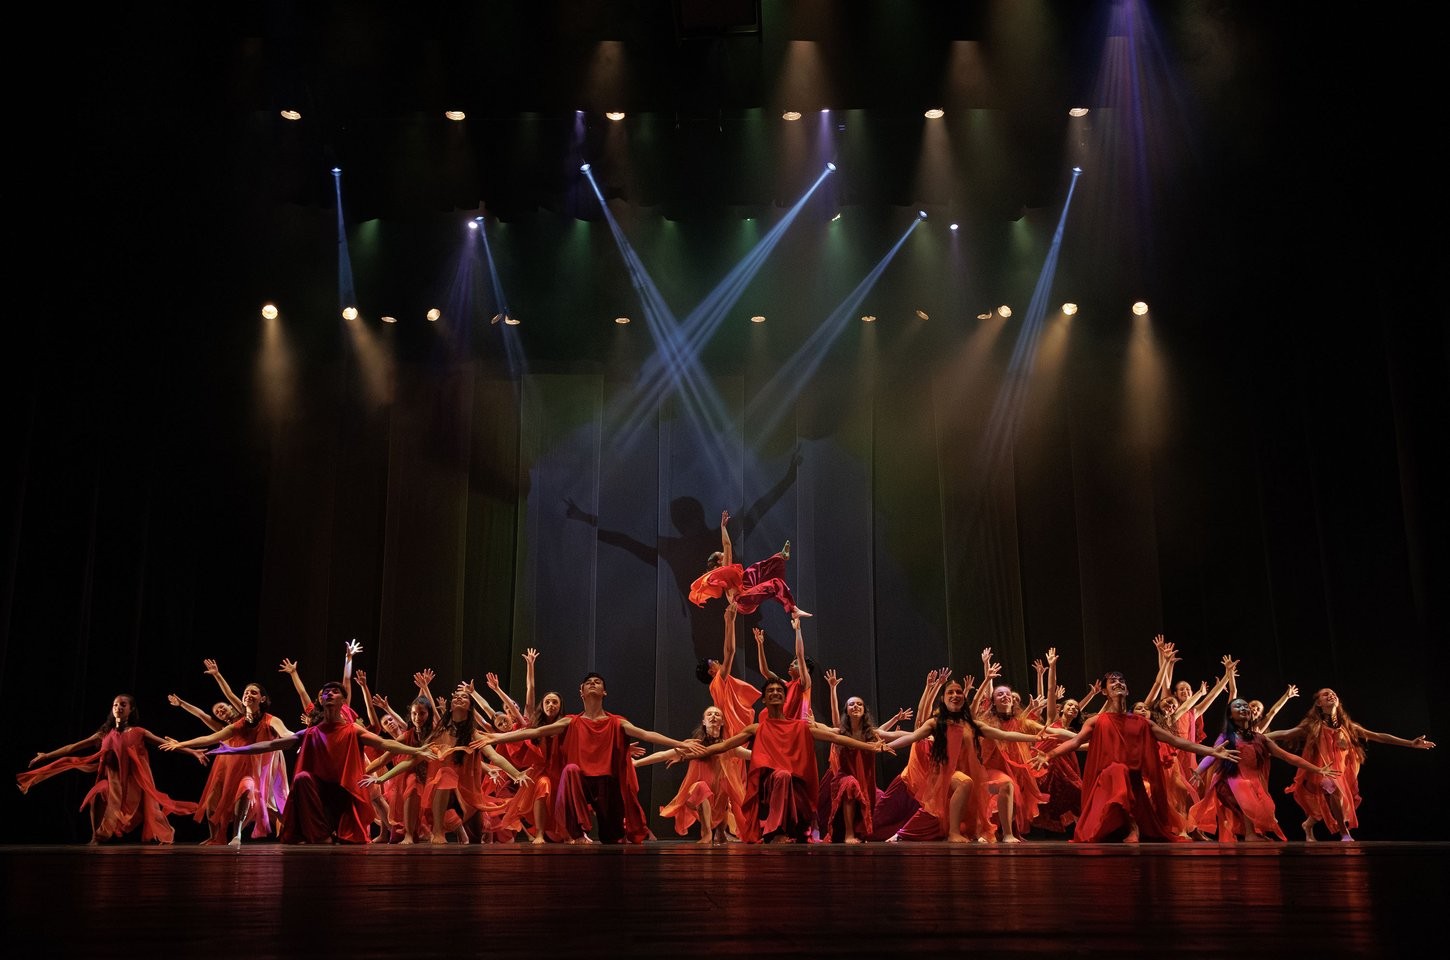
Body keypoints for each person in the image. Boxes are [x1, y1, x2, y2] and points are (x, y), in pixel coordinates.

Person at [481, 672, 706, 843]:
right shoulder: (570, 720)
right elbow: (535, 731)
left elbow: (646, 734)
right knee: (570, 770)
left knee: (612, 839)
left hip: (607, 784)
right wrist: (495, 738)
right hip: (580, 782)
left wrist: (680, 744)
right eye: (588, 682)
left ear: (604, 692)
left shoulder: (617, 721)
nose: (593, 684)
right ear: (581, 692)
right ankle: (578, 833)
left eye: (597, 682)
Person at [206, 681, 434, 844]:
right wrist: (236, 748)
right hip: (318, 793)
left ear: (343, 700)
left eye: (335, 692)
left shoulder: (352, 729)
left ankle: (369, 831)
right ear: (320, 700)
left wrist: (417, 749)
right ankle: (321, 835)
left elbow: (387, 746)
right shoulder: (313, 731)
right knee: (302, 778)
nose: (330, 694)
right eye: (326, 692)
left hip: (345, 790)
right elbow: (271, 745)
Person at [1032, 671, 1240, 843]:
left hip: (1132, 780)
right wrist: (1048, 755)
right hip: (1107, 777)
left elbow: (1177, 741)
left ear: (1127, 689)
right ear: (1104, 691)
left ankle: (1129, 827)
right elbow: (1074, 742)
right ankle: (1132, 827)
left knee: (1123, 774)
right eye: (1113, 682)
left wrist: (1212, 751)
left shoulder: (1142, 722)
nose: (1118, 684)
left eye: (1122, 681)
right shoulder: (1098, 720)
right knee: (1117, 770)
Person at [695, 673, 892, 843]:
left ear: (784, 697)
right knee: (782, 775)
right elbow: (724, 745)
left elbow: (835, 737)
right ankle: (776, 831)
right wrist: (693, 751)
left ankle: (794, 828)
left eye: (779, 691)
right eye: (770, 691)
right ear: (764, 699)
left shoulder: (800, 726)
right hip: (770, 783)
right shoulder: (757, 728)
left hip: (797, 784)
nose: (775, 693)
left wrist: (870, 747)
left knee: (788, 777)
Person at [19, 694, 205, 844]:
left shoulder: (139, 732)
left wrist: (193, 752)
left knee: (151, 813)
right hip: (113, 782)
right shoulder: (104, 733)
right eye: (116, 705)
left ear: (131, 710)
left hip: (134, 785)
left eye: (123, 705)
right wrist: (47, 755)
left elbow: (167, 744)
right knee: (96, 793)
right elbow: (73, 747)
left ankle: (161, 831)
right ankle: (96, 836)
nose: (119, 708)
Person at [882, 677, 1042, 843]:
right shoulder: (935, 723)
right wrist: (884, 747)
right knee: (963, 784)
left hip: (968, 773)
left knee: (941, 814)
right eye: (950, 692)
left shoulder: (972, 725)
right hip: (943, 774)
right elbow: (912, 737)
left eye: (959, 692)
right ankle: (953, 833)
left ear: (963, 699)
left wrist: (1036, 737)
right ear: (943, 700)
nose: (955, 694)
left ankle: (903, 834)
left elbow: (1005, 735)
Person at [1267, 687, 1435, 841]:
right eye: (1325, 694)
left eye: (1333, 693)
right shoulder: (1313, 726)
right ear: (1319, 703)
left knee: (1330, 802)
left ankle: (1308, 824)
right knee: (1333, 789)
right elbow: (1286, 733)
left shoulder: (1347, 726)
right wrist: (1262, 737)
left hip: (1342, 772)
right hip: (1320, 771)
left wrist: (1410, 743)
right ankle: (1344, 833)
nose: (1331, 695)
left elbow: (1379, 736)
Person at [161, 672, 292, 845]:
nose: (221, 711)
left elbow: (230, 694)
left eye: (223, 707)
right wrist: (181, 743)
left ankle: (289, 829)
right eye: (217, 711)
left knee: (269, 800)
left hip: (260, 761)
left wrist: (217, 674)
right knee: (214, 799)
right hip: (231, 763)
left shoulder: (257, 717)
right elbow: (206, 731)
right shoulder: (235, 725)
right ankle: (220, 835)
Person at [1188, 698, 1340, 842]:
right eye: (1238, 706)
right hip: (1229, 782)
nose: (1243, 708)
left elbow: (1287, 757)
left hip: (1254, 782)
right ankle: (1250, 834)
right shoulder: (1227, 736)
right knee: (1244, 787)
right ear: (1230, 715)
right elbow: (1212, 754)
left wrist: (1318, 769)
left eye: (1245, 706)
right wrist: (1199, 770)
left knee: (1265, 809)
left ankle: (1255, 832)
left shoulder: (1260, 738)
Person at [636, 705, 749, 843]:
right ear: (704, 722)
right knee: (701, 787)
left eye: (717, 714)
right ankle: (706, 832)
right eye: (709, 714)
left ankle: (720, 832)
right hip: (698, 794)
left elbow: (752, 755)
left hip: (720, 795)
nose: (713, 716)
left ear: (723, 722)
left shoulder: (728, 746)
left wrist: (778, 756)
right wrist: (636, 763)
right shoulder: (694, 745)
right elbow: (664, 755)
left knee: (726, 786)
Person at [688, 509, 811, 619]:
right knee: (774, 584)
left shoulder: (726, 574)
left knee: (752, 570)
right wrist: (723, 528)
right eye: (721, 555)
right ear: (719, 562)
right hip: (742, 602)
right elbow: (727, 546)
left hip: (745, 589)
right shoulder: (723, 573)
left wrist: (723, 528)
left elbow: (727, 546)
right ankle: (793, 610)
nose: (724, 554)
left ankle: (780, 557)